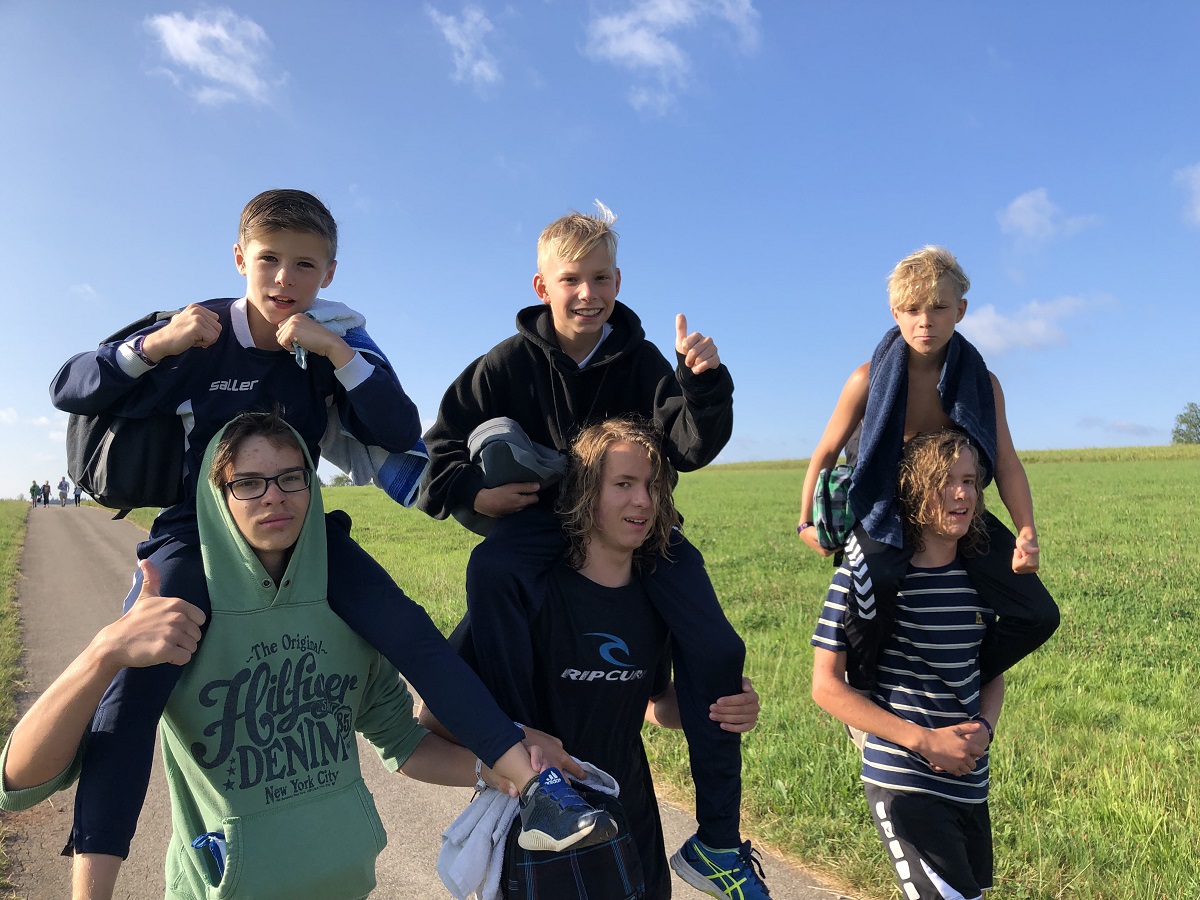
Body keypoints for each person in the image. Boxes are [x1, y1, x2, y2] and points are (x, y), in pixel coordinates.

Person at [48, 190, 607, 867]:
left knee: (408, 628)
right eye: (269, 260)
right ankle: (93, 880)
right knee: (136, 688)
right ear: (239, 258)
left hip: (303, 530)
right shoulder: (200, 336)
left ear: (329, 273)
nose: (285, 279)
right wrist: (159, 344)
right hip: (197, 532)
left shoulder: (328, 341)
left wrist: (337, 353)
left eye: (305, 265)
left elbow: (398, 428)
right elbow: (69, 386)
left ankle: (537, 791)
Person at [0, 413, 603, 899]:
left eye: (292, 478)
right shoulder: (175, 617)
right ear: (218, 496)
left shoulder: (346, 610)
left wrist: (493, 766)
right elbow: (20, 784)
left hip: (345, 886)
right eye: (249, 483)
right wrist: (104, 651)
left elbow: (402, 742)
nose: (275, 497)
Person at [417, 203, 767, 897]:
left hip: (635, 522)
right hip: (543, 524)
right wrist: (477, 493)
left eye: (601, 278)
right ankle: (529, 758)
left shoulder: (642, 360)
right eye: (571, 279)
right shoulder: (506, 364)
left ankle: (719, 842)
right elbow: (439, 451)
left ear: (618, 281)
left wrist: (703, 384)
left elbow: (689, 446)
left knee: (718, 648)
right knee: (491, 566)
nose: (588, 293)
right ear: (542, 286)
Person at [425, 418, 766, 899]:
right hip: (545, 825)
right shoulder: (525, 592)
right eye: (623, 484)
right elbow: (435, 718)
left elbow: (654, 704)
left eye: (652, 486)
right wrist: (516, 738)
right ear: (585, 492)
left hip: (631, 816)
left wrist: (721, 707)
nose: (643, 500)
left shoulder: (656, 595)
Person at [796, 246, 1058, 689]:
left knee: (1038, 614)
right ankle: (866, 690)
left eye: (938, 307)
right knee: (873, 584)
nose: (925, 321)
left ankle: (959, 677)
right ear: (895, 313)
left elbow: (1007, 462)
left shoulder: (983, 384)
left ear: (960, 311)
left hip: (957, 508)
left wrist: (1026, 531)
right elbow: (825, 452)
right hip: (885, 507)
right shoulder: (867, 379)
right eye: (913, 309)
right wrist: (807, 525)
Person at [811, 429, 1006, 900]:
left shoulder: (982, 578)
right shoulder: (866, 578)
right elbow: (826, 687)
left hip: (970, 782)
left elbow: (992, 669)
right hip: (904, 777)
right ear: (913, 493)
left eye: (969, 481)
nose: (962, 494)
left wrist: (986, 727)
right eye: (945, 482)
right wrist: (924, 741)